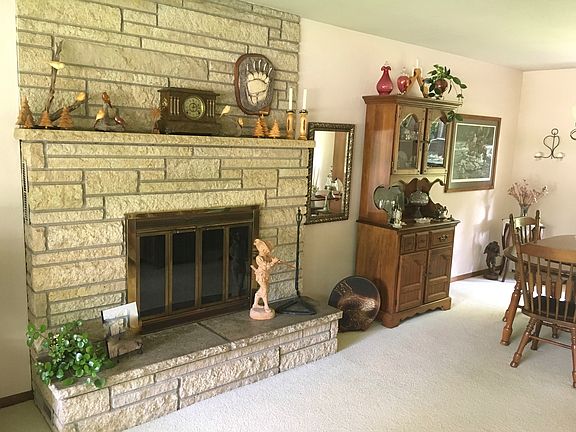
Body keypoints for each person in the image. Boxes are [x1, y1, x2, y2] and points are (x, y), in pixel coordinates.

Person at [250, 239, 280, 313]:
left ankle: (255, 304)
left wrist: (275, 262)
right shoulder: (258, 258)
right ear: (262, 249)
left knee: (262, 289)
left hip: (266, 275)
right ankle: (266, 305)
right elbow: (266, 267)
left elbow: (270, 264)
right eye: (266, 250)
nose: (268, 251)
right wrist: (273, 262)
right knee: (265, 290)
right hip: (261, 276)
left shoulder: (266, 257)